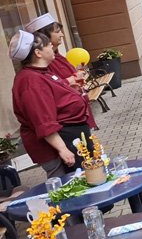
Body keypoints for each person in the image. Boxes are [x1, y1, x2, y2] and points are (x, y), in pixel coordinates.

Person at [9, 30, 99, 178]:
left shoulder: (41, 72)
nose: (52, 46)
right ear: (38, 53)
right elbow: (42, 120)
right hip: (55, 146)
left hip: (72, 134)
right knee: (68, 185)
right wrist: (62, 149)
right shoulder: (30, 81)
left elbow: (55, 92)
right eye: (47, 45)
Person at [25, 13, 85, 89]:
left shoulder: (57, 56)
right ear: (45, 36)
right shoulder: (44, 62)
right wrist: (71, 80)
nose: (62, 35)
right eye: (57, 32)